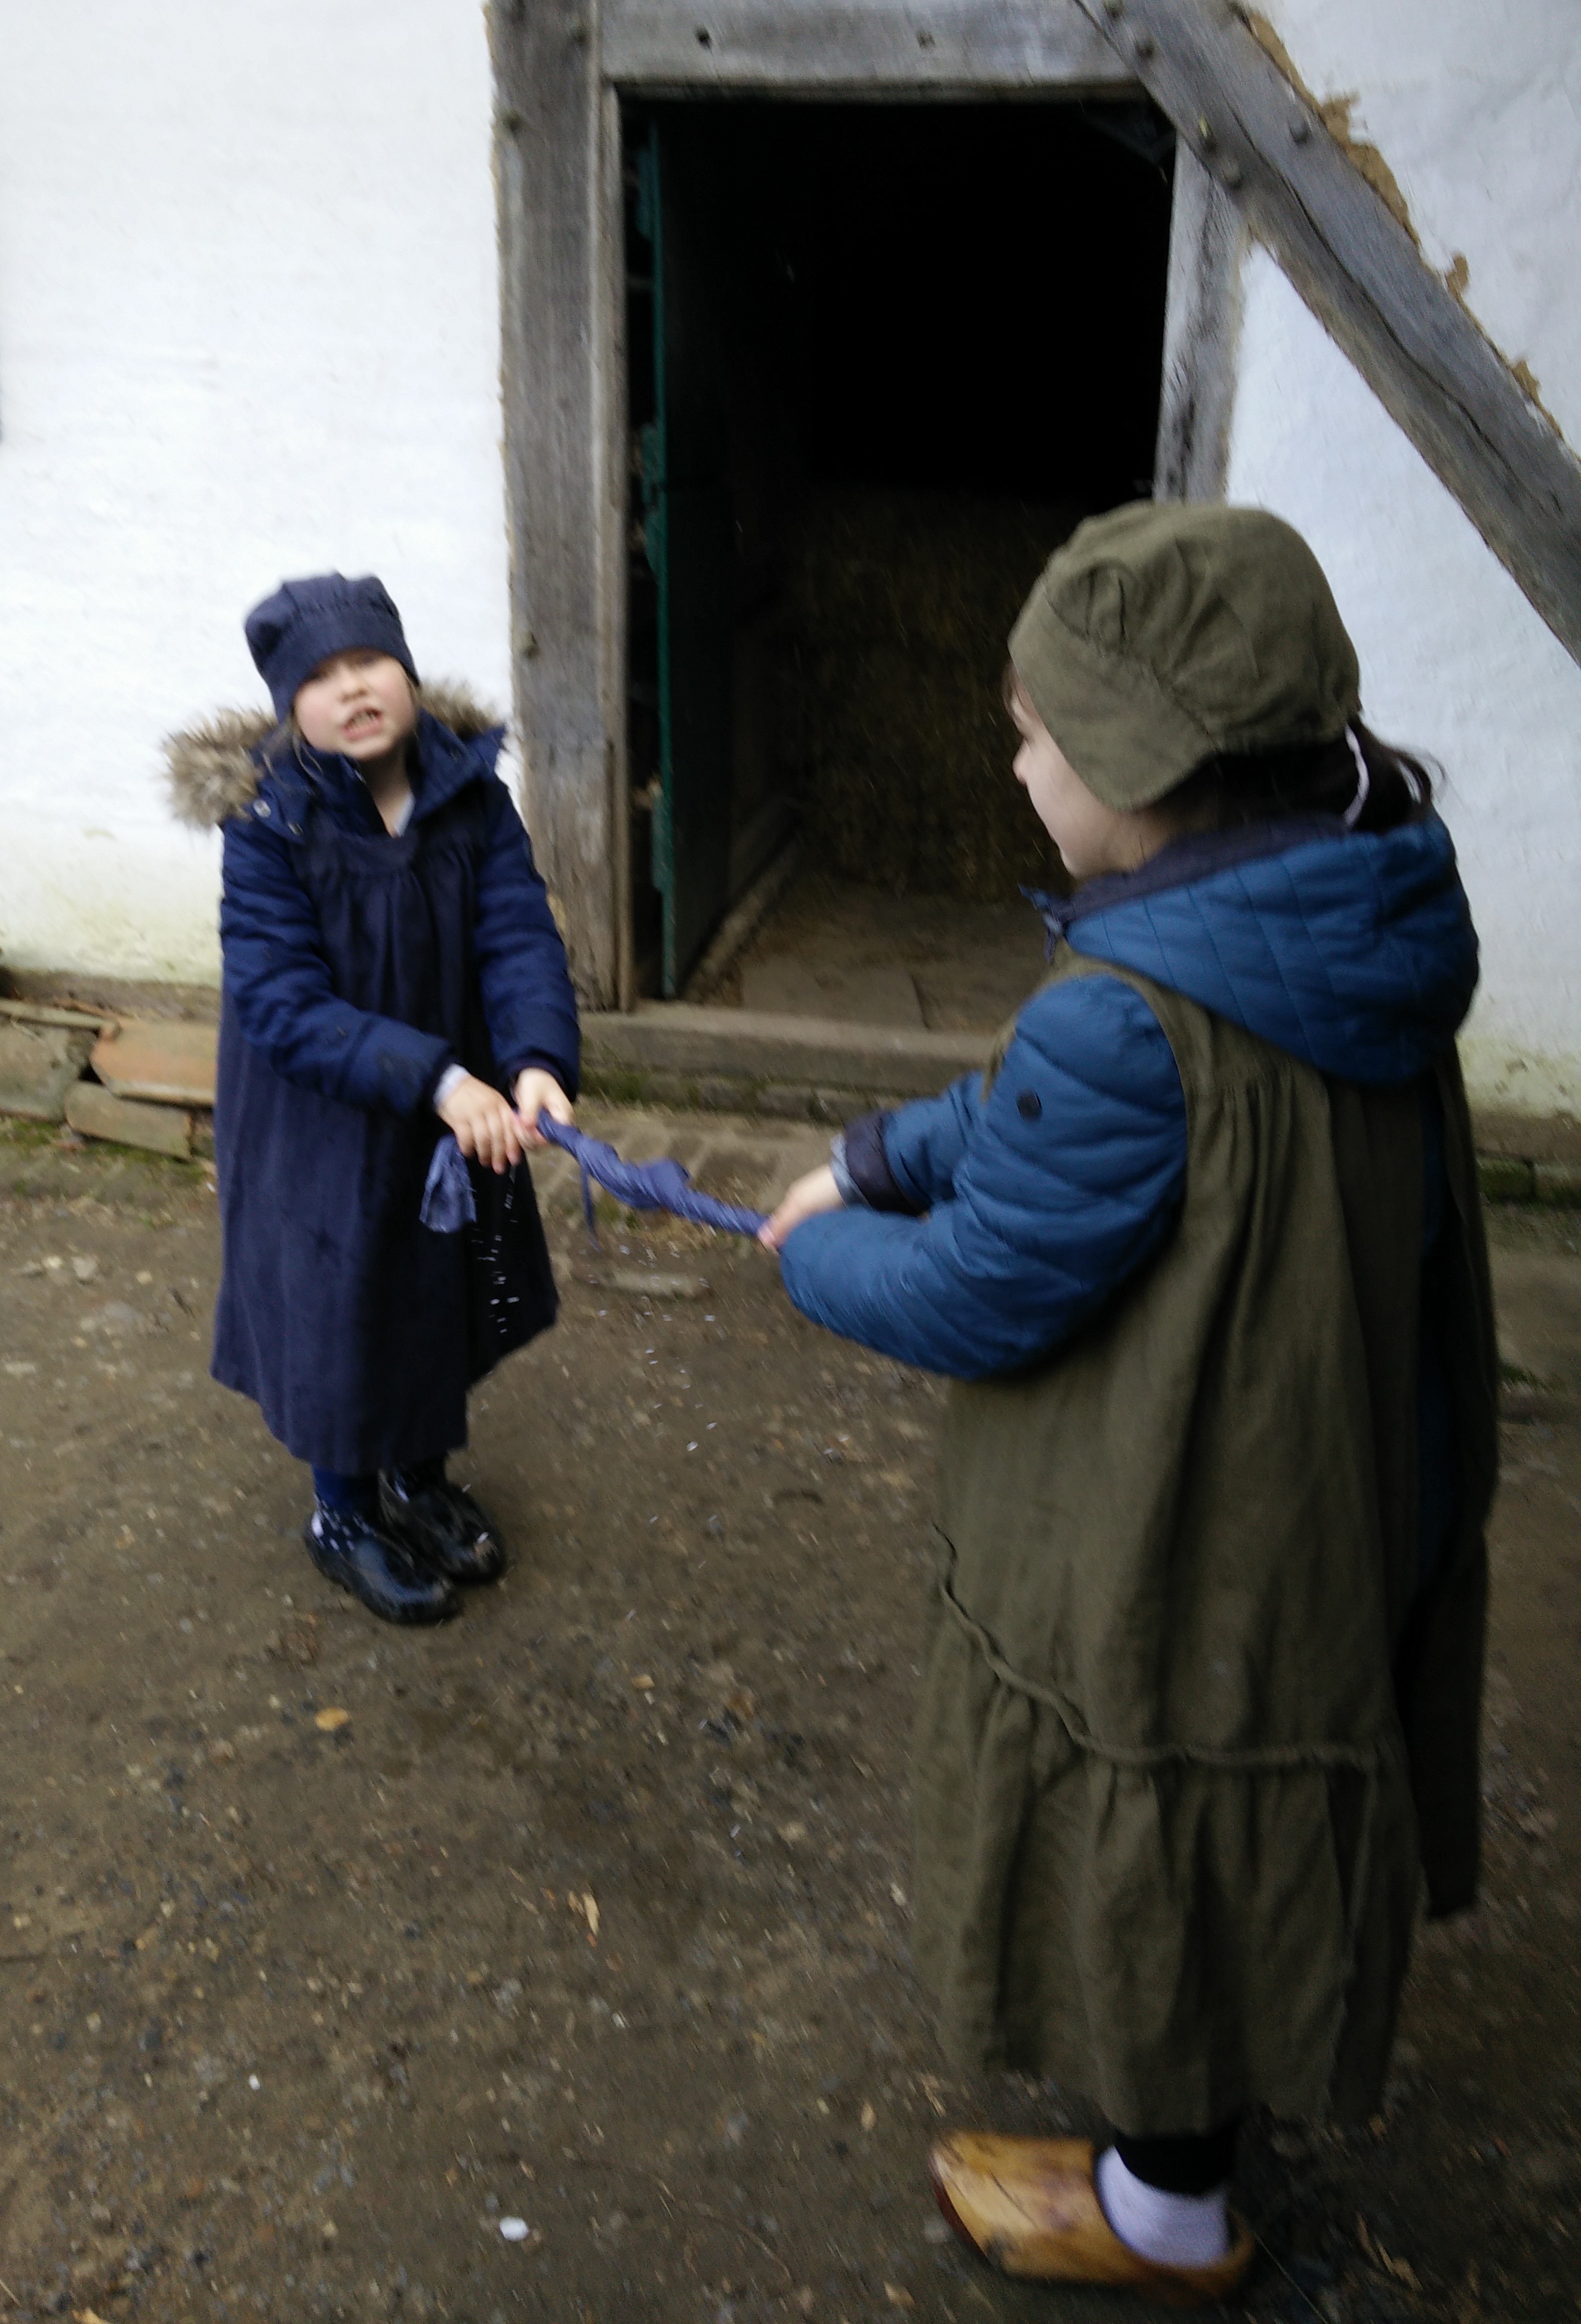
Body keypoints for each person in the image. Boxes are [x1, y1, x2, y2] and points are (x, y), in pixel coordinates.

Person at [762, 505, 1496, 2303]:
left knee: (1171, 1790)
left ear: (1148, 771)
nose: (1015, 766)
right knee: (1259, 1769)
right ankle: (1195, 2149)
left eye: (1037, 735)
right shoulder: (1342, 901)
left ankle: (1167, 2209)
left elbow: (981, 1287)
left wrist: (803, 1250)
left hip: (1197, 1496)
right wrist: (875, 1150)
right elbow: (1039, 1108)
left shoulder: (1132, 1010)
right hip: (1336, 1461)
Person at [168, 571, 579, 1627]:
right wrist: (440, 1078)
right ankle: (343, 1512)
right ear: (287, 706)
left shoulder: (472, 799)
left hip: (456, 1114)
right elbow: (282, 1002)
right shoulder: (269, 826)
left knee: (433, 1285)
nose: (353, 690)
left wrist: (535, 1059)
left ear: (407, 674)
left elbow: (517, 936)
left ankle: (419, 1479)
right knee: (342, 1307)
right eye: (323, 676)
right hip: (323, 1122)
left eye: (372, 663)